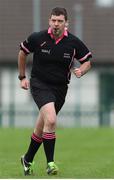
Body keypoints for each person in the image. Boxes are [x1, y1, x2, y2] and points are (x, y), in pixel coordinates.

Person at [18, 7, 92, 176]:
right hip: (39, 84)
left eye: (60, 21)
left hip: (60, 89)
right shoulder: (38, 38)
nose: (56, 24)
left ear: (66, 23)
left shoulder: (73, 42)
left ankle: (27, 159)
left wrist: (82, 70)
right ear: (49, 21)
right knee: (51, 120)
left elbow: (88, 60)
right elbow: (22, 52)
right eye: (53, 20)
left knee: (43, 126)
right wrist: (22, 77)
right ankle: (50, 163)